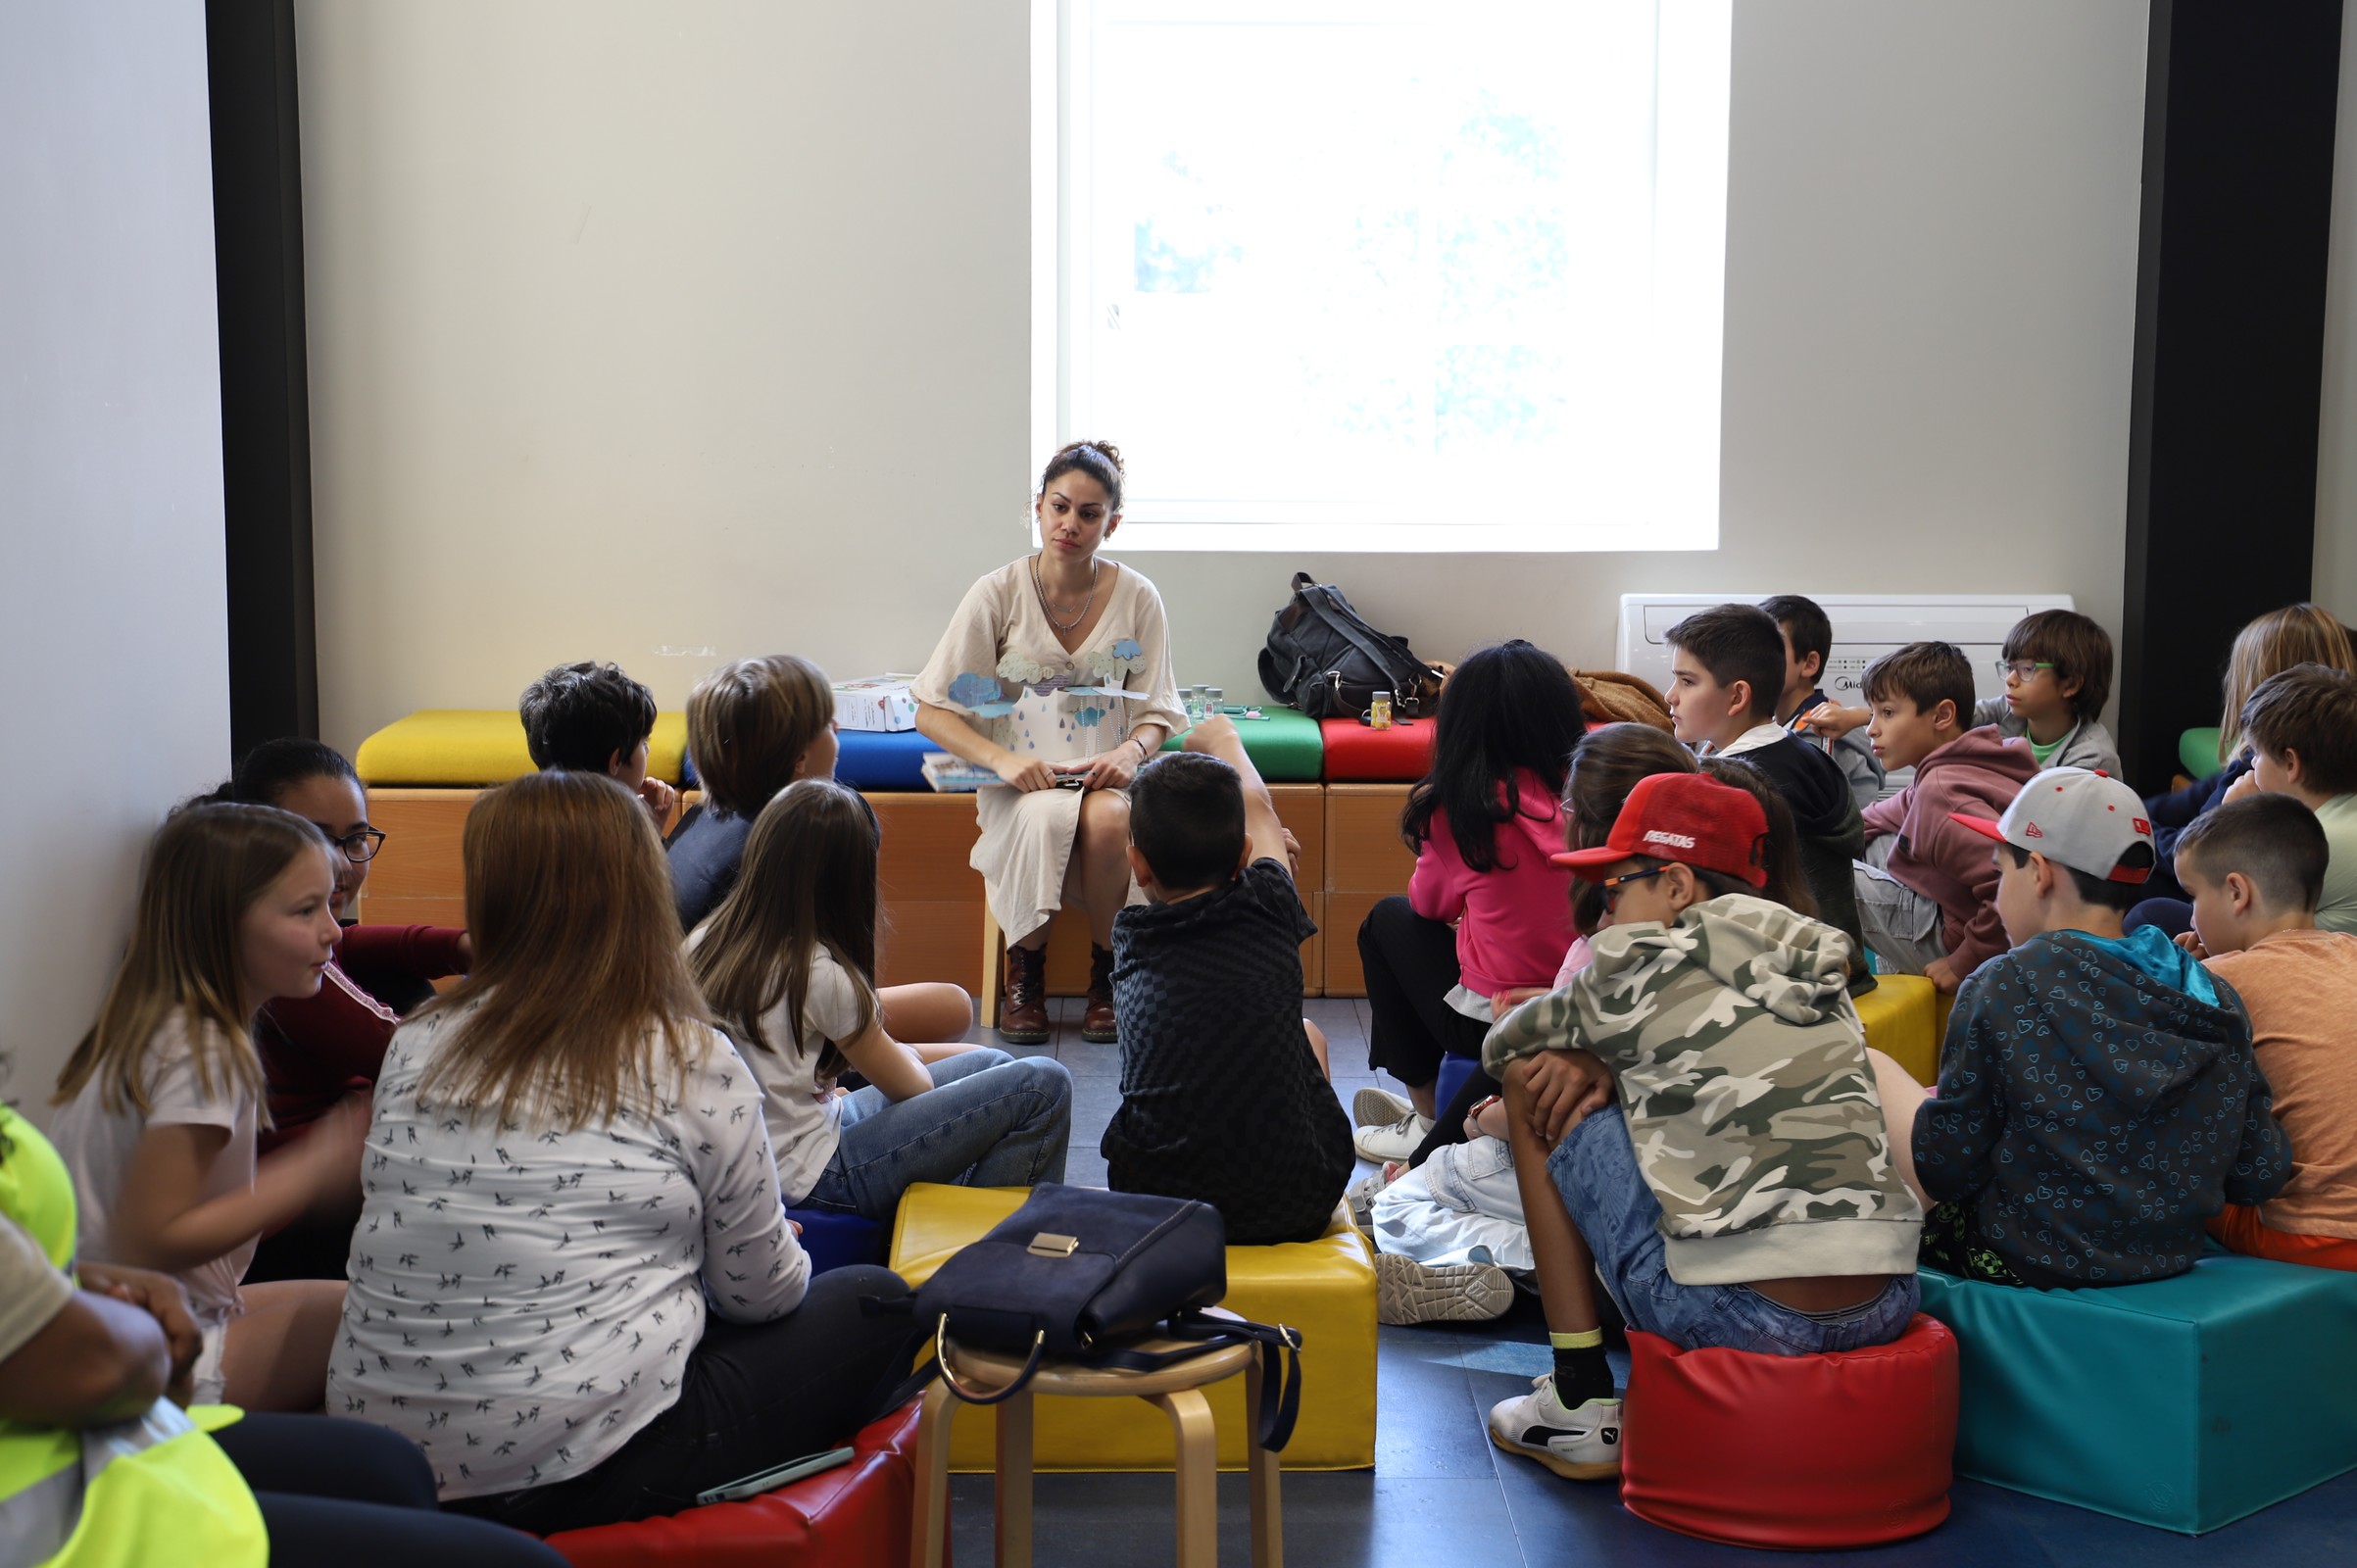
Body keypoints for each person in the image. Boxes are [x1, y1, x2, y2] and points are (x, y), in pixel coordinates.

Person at [334, 770, 920, 1533]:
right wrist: (749, 1247)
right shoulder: (687, 1055)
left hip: (384, 1463)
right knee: (878, 1300)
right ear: (643, 892)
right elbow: (761, 1296)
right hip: (580, 1468)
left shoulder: (417, 1041)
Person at [1482, 773, 1921, 1483]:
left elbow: (1500, 1045)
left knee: (1532, 1079)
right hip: (1887, 1298)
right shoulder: (1814, 960)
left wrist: (1593, 1051)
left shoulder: (1635, 962)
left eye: (1614, 890)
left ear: (1677, 884)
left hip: (1740, 1314)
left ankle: (1577, 1397)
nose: (1604, 914)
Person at [0, 1103, 564, 1567]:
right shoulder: (196, 1053)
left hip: (98, 1416)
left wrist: (86, 1287)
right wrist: (318, 1163)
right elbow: (111, 1337)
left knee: (395, 1463)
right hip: (64, 1511)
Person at [1870, 767, 2288, 1288]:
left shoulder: (2003, 984)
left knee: (1871, 1066)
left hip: (2022, 1258)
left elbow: (1945, 1167)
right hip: (2169, 1256)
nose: (1996, 895)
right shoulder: (2212, 992)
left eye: (2001, 874)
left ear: (2039, 872)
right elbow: (2258, 1173)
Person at [50, 804, 369, 1413]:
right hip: (147, 1349)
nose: (333, 930)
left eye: (329, 906)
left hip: (133, 1318)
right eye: (306, 911)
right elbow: (154, 1235)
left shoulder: (167, 1026)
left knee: (365, 1304)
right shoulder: (203, 1051)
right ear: (224, 923)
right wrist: (315, 1166)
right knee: (382, 1329)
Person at [689, 777, 1073, 1220]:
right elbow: (913, 1086)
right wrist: (901, 1053)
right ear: (847, 882)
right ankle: (990, 1244)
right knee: (1044, 1086)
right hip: (819, 1176)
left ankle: (964, 1222)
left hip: (788, 1146)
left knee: (996, 1066)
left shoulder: (704, 940)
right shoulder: (817, 972)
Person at [910, 441, 1188, 1046]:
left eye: (1089, 514)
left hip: (1106, 778)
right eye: (1059, 507)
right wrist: (1004, 761)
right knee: (1039, 818)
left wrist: (1132, 752)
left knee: (1111, 822)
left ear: (1112, 523)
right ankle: (1025, 975)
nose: (1071, 524)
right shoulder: (997, 593)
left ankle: (1108, 977)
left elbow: (1157, 712)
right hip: (1019, 782)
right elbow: (932, 712)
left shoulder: (1139, 597)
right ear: (1037, 507)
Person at [210, 739, 470, 1284]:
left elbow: (353, 945)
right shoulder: (277, 954)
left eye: (355, 839)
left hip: (308, 1186)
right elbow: (414, 1060)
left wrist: (458, 946)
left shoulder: (247, 920)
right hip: (285, 1231)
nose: (342, 865)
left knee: (404, 981)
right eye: (315, 838)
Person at [1101, 714, 1354, 1246]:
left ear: (1137, 865)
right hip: (1296, 1205)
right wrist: (1224, 739)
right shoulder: (1268, 902)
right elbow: (1258, 806)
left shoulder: (1131, 937)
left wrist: (1270, 865)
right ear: (1243, 855)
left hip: (1157, 1208)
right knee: (1307, 1034)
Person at [1350, 641, 1586, 1163]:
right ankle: (1441, 1106)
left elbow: (1429, 905)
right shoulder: (1590, 796)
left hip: (1491, 1019)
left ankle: (1427, 1116)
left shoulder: (1459, 807)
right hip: (1581, 1005)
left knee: (1387, 921)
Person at [2171, 797, 2357, 1271]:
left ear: (2237, 892)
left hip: (2317, 1234)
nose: (2191, 919)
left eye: (2193, 896)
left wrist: (2185, 976)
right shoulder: (2351, 952)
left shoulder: (2221, 978)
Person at [1660, 603, 1872, 989]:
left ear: (1737, 697)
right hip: (1843, 965)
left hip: (1798, 983)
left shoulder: (1730, 786)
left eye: (1687, 682)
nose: (1670, 695)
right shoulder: (1809, 754)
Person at [2136, 603, 2356, 909]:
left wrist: (2133, 828)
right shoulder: (2260, 761)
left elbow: (2198, 865)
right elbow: (2188, 803)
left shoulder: (2264, 771)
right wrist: (2134, 815)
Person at [1850, 642, 2039, 992]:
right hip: (1991, 929)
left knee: (1827, 870)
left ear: (1942, 716)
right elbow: (1879, 816)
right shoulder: (1964, 764)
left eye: (1887, 713)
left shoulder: (1941, 793)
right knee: (1876, 838)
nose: (1871, 729)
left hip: (1971, 944)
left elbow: (2013, 886)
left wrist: (1963, 962)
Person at [666, 653, 839, 931]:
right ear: (800, 757)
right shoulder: (786, 846)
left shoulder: (702, 816)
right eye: (829, 723)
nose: (838, 728)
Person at [2225, 662, 2357, 933]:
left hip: (2303, 958)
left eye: (2257, 753)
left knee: (2153, 912)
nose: (2252, 764)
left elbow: (2223, 918)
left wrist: (2233, 820)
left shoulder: (2316, 844)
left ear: (2290, 763)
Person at [519, 659, 680, 830]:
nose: (647, 750)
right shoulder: (615, 834)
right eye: (643, 743)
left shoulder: (528, 821)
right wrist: (651, 828)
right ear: (616, 760)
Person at [1760, 593, 1885, 808]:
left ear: (1809, 664)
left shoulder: (1832, 739)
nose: (1755, 658)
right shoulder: (1761, 726)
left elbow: (1859, 822)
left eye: (1771, 648)